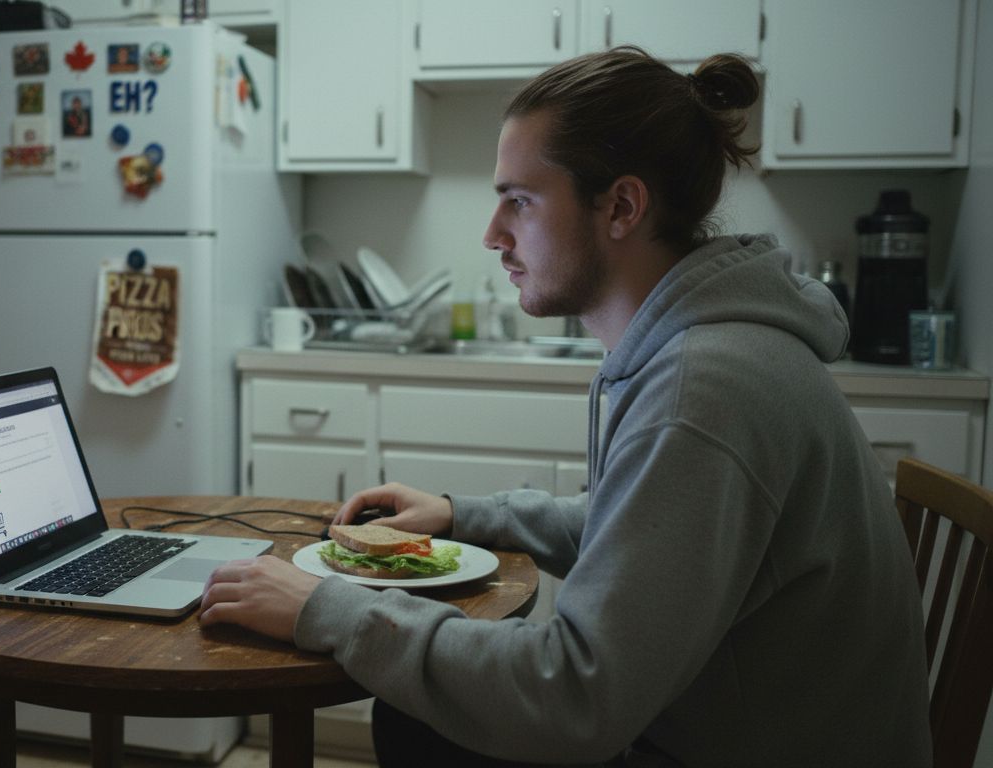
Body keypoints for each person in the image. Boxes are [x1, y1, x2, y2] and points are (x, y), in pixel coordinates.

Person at [199, 46, 931, 767]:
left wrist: (321, 609)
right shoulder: (709, 354)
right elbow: (640, 526)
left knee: (421, 720)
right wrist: (463, 514)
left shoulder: (703, 388)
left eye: (519, 200)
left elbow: (573, 697)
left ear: (620, 206)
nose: (492, 235)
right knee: (423, 719)